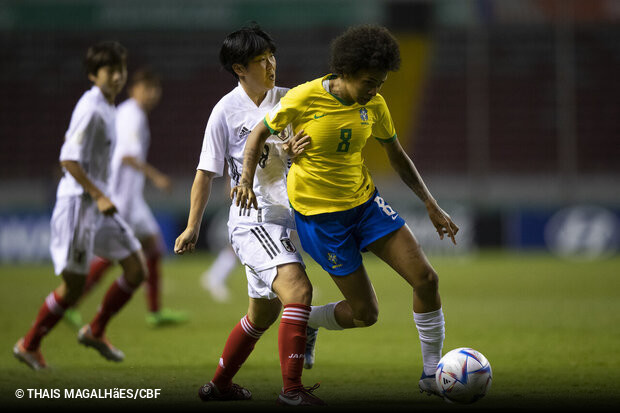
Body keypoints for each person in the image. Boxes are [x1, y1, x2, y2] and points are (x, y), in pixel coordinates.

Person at [231, 24, 459, 397]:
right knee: (366, 315)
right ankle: (310, 324)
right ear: (346, 72)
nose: (376, 90)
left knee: (427, 279)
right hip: (322, 222)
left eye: (381, 83)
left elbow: (396, 155)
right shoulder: (304, 98)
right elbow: (258, 134)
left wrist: (430, 204)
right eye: (370, 82)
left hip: (365, 204)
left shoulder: (375, 105)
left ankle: (432, 374)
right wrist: (244, 179)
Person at [174, 24, 324, 406]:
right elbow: (205, 174)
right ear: (240, 68)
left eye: (272, 56)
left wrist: (296, 149)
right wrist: (193, 225)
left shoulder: (289, 99)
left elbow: (304, 152)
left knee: (262, 315)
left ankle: (219, 387)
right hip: (252, 220)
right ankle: (292, 391)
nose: (271, 64)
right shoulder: (224, 111)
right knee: (299, 291)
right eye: (261, 60)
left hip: (288, 218)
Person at [13, 41, 147, 370]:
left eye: (121, 70)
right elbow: (68, 159)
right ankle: (29, 344)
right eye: (109, 71)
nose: (117, 76)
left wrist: (102, 195)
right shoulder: (90, 108)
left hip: (98, 206)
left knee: (136, 268)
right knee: (73, 287)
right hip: (77, 204)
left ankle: (96, 330)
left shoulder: (109, 108)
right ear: (93, 75)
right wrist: (99, 194)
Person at [64, 68, 189, 328]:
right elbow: (127, 156)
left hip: (133, 200)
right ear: (134, 89)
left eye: (155, 89)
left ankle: (155, 312)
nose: (152, 93)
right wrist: (156, 177)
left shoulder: (128, 113)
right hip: (122, 200)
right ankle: (70, 303)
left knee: (153, 247)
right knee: (113, 257)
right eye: (146, 88)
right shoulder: (132, 115)